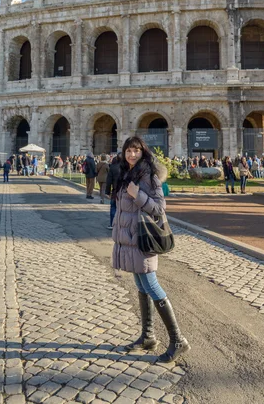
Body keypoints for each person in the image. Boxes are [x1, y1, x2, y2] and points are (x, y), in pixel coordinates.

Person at [112, 136, 190, 363]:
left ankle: (178, 340)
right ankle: (148, 336)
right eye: (128, 150)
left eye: (136, 150)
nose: (131, 154)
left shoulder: (148, 175)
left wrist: (139, 196)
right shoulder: (129, 173)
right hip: (131, 239)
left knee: (152, 285)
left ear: (142, 152)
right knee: (141, 284)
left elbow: (159, 208)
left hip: (143, 239)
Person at [105, 153, 121, 229]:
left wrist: (107, 192)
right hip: (125, 191)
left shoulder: (113, 167)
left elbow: (109, 181)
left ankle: (112, 224)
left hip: (115, 191)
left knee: (113, 208)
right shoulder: (127, 167)